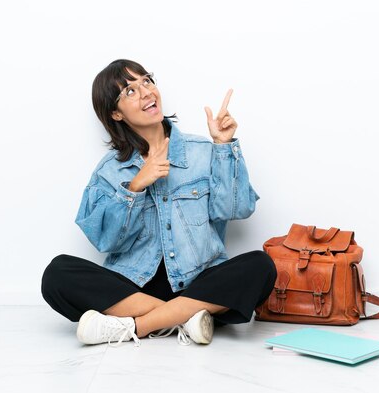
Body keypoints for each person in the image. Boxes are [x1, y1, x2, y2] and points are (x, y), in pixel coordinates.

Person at [41, 59, 277, 347]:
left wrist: (224, 147)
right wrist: (136, 186)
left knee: (261, 266)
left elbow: (237, 210)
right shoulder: (110, 171)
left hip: (199, 284)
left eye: (146, 81)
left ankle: (135, 326)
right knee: (57, 274)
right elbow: (105, 241)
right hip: (135, 289)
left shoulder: (203, 150)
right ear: (115, 113)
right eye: (129, 91)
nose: (146, 92)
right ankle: (186, 319)